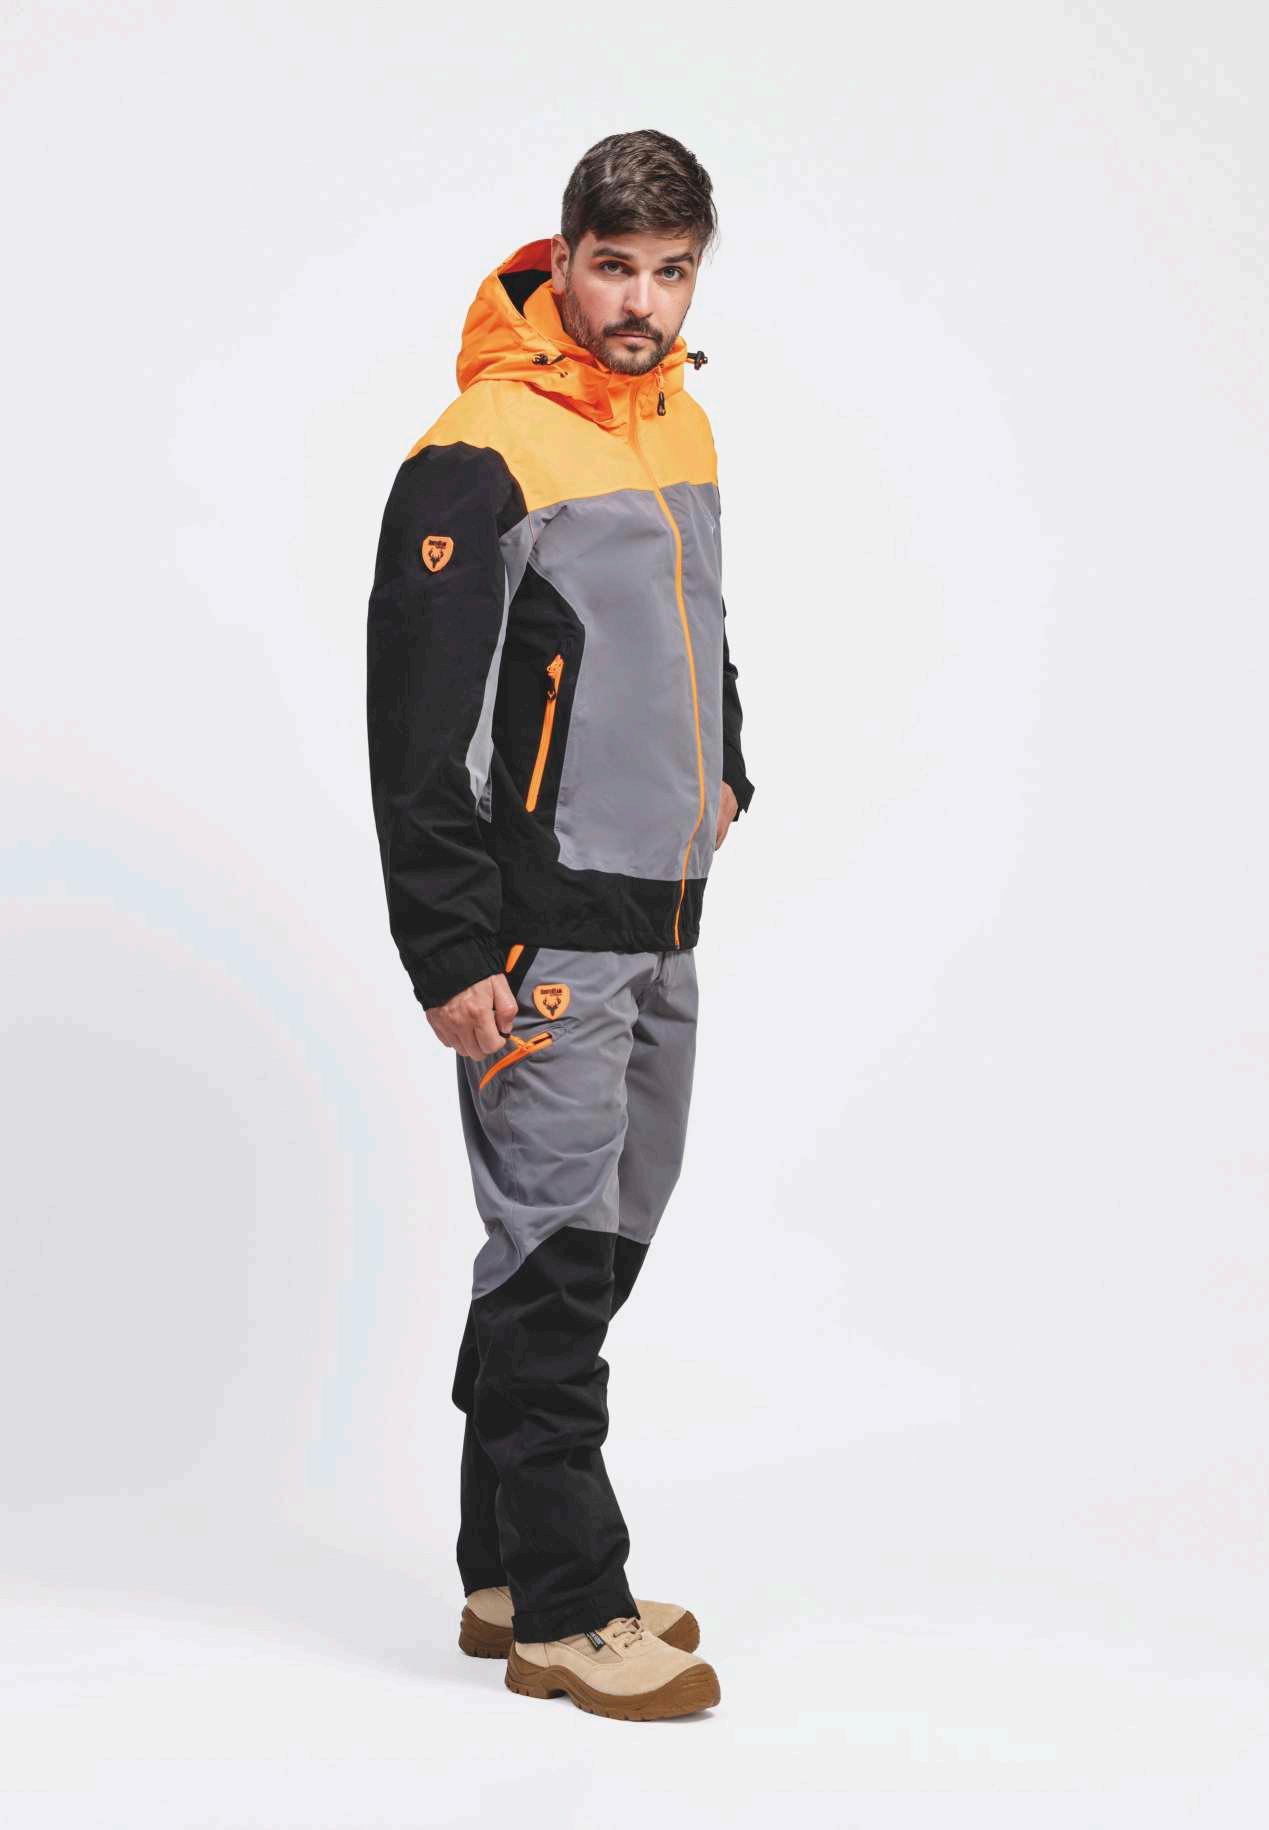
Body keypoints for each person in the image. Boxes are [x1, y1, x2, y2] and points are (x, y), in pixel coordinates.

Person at [365, 129, 755, 1722]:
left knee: (597, 1240)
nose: (640, 303)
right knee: (548, 1261)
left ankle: (505, 1567)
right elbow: (417, 724)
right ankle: (573, 1610)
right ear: (564, 257)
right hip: (538, 936)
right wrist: (450, 949)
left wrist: (727, 762)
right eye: (614, 268)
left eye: (671, 272)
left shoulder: (678, 419)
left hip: (661, 905)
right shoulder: (479, 451)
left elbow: (695, 619)